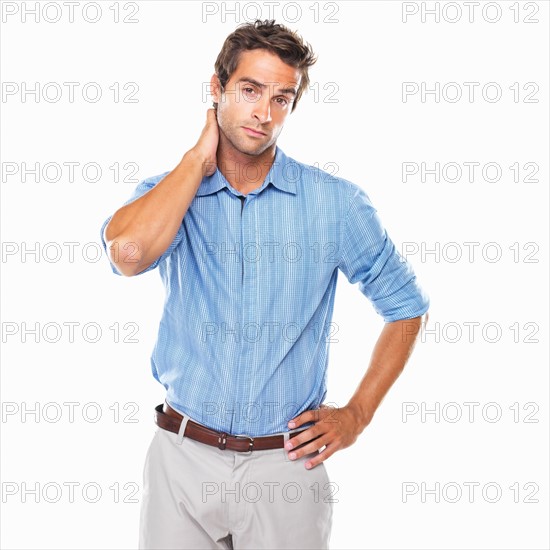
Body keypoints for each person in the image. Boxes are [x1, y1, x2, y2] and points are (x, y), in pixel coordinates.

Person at [100, 19, 429, 550]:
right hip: (182, 456)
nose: (264, 113)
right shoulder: (168, 194)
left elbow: (407, 307)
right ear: (218, 87)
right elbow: (128, 256)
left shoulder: (336, 204)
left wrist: (358, 414)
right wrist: (195, 161)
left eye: (282, 98)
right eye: (250, 90)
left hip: (287, 464)